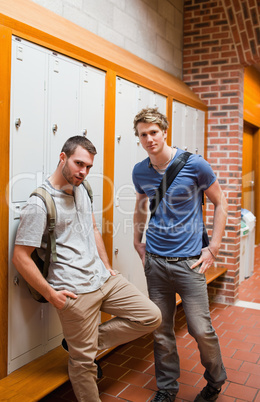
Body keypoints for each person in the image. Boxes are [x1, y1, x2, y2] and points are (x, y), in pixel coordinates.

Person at [12, 135, 162, 402]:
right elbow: (20, 257)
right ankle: (83, 351)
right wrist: (50, 294)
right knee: (83, 364)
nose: (83, 171)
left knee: (151, 316)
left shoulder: (83, 189)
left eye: (89, 166)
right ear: (62, 158)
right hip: (74, 293)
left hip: (103, 279)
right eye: (79, 163)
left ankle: (84, 343)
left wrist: (107, 266)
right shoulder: (39, 203)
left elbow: (92, 229)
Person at [132, 108, 228, 402]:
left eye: (153, 132)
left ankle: (215, 380)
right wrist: (137, 240)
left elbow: (221, 203)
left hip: (190, 264)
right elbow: (141, 204)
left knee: (201, 329)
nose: (149, 139)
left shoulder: (195, 165)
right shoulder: (140, 170)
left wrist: (213, 247)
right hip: (156, 263)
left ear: (164, 131)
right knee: (161, 331)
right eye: (142, 135)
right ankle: (167, 388)